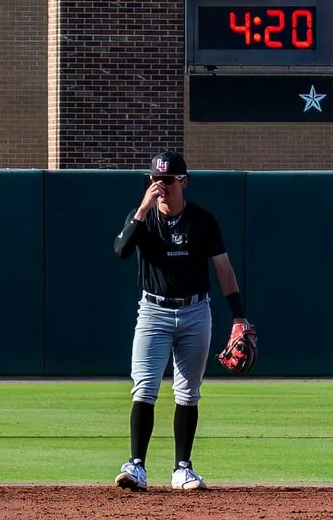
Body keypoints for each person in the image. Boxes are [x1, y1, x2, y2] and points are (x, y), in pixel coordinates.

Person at [113, 151, 249, 491]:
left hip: (194, 311)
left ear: (183, 182)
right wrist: (142, 210)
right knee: (144, 388)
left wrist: (238, 317)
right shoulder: (142, 219)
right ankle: (136, 466)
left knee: (188, 393)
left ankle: (182, 469)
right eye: (155, 180)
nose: (161, 186)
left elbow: (224, 270)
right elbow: (121, 250)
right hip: (154, 312)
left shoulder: (202, 221)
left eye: (168, 180)